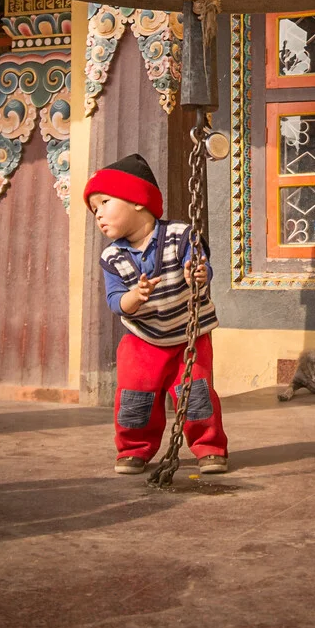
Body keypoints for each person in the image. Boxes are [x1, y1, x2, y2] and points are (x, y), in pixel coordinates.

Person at [85, 153, 229, 476]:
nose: (99, 215)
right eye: (95, 209)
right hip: (144, 337)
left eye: (105, 202)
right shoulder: (112, 256)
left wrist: (197, 273)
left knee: (195, 392)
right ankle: (134, 449)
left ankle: (209, 447)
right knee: (136, 392)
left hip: (187, 336)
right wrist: (133, 297)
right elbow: (114, 300)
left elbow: (200, 264)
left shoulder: (179, 236)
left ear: (138, 201)